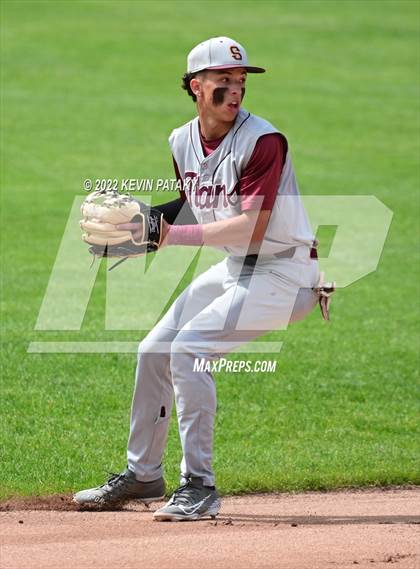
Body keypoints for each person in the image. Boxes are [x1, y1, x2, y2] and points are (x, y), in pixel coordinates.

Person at [73, 36, 321, 521]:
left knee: (190, 348)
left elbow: (252, 224)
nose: (235, 90)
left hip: (288, 274)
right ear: (195, 86)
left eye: (241, 81)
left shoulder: (262, 141)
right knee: (154, 350)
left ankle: (199, 485)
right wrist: (139, 225)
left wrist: (167, 237)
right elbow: (201, 202)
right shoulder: (180, 139)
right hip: (235, 269)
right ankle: (143, 473)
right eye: (223, 81)